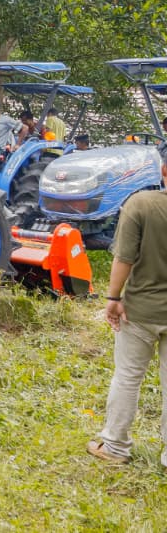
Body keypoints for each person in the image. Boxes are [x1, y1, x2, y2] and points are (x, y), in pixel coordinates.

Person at [86, 144, 167, 468]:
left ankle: (116, 446)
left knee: (128, 376)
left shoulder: (141, 204)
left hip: (140, 311)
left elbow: (123, 258)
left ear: (162, 170)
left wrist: (112, 299)